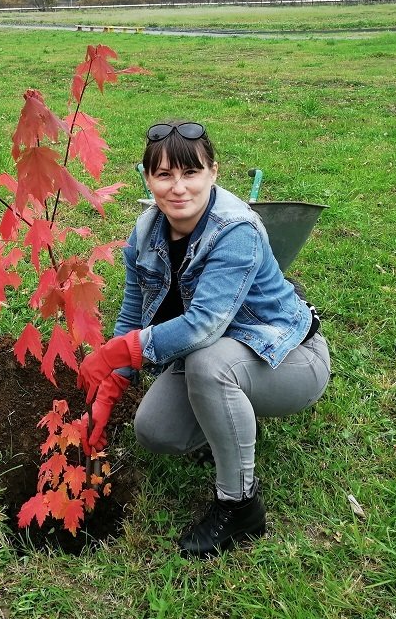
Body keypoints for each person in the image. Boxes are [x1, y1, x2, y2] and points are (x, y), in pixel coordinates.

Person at [79, 120, 331, 558]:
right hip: (219, 356)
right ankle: (226, 428)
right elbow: (132, 313)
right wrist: (112, 384)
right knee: (155, 432)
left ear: (213, 172)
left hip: (287, 358)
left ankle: (240, 506)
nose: (178, 188)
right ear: (148, 178)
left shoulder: (237, 231)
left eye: (190, 172)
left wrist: (118, 352)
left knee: (208, 364)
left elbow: (202, 327)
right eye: (163, 175)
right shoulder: (145, 233)